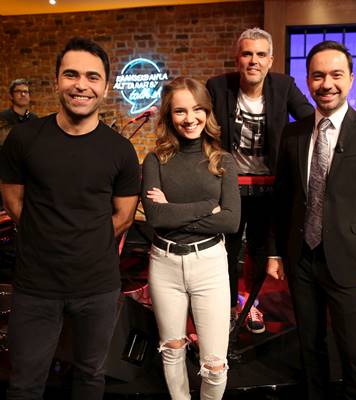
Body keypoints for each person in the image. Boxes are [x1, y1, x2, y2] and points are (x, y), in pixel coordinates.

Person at [0, 37, 140, 400]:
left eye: (92, 77)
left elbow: (124, 216)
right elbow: (14, 204)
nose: (81, 85)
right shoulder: (23, 139)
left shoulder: (120, 150)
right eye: (71, 74)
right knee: (25, 384)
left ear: (105, 87)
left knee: (90, 378)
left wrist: (84, 241)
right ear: (56, 81)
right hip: (35, 285)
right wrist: (49, 236)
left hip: (98, 286)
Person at [266, 40, 356, 400]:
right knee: (310, 348)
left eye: (336, 75)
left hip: (352, 263)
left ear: (351, 79)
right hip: (302, 259)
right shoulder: (293, 133)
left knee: (355, 354)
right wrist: (275, 252)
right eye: (318, 76)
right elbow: (281, 200)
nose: (326, 84)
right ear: (308, 81)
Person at [206, 27, 314, 333]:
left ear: (270, 60)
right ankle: (228, 307)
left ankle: (250, 304)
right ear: (237, 59)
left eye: (261, 54)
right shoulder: (218, 87)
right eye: (247, 54)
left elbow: (310, 120)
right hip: (229, 185)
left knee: (258, 250)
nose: (254, 60)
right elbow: (200, 124)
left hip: (269, 187)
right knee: (225, 251)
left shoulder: (284, 86)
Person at [141, 76, 240, 400]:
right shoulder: (155, 160)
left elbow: (230, 221)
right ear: (169, 116)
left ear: (207, 112)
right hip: (164, 263)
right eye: (180, 111)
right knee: (171, 349)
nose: (190, 118)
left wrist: (173, 209)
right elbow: (156, 218)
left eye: (197, 109)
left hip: (209, 264)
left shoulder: (223, 161)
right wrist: (208, 206)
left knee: (215, 365)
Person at [0, 79, 39, 159]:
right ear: (11, 96)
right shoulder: (1, 118)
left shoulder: (35, 119)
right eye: (18, 91)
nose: (23, 94)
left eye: (25, 92)